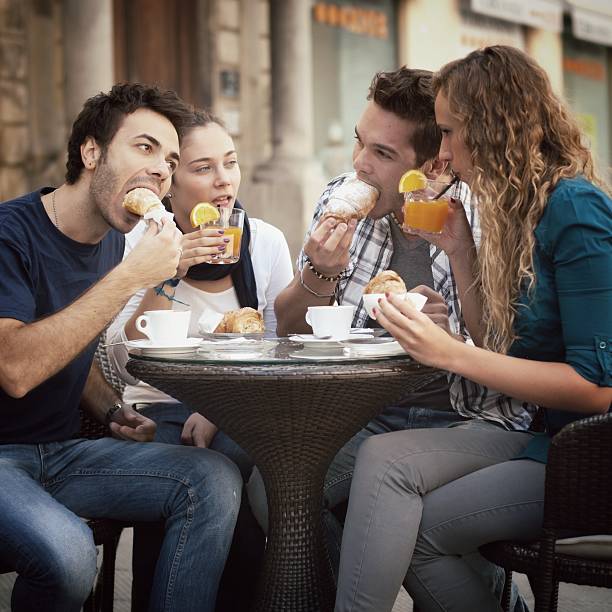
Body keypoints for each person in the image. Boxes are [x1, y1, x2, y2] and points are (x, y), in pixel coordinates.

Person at [334, 45, 612, 612]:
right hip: (547, 442)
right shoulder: (522, 210)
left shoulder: (576, 209)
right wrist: (461, 254)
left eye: (448, 131)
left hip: (591, 458)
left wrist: (447, 354)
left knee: (391, 481)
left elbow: (598, 385)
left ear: (492, 130)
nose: (442, 151)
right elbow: (503, 349)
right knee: (397, 496)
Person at [250, 67, 534, 609]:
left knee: (398, 506)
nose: (359, 163)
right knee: (275, 493)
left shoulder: (482, 218)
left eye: (381, 154)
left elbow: (512, 355)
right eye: (360, 142)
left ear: (431, 165)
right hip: (364, 412)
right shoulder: (341, 200)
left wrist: (447, 333)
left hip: (466, 418)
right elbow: (283, 329)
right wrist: (319, 272)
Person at [0, 83, 242, 612]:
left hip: (63, 454)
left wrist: (110, 407)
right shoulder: (9, 234)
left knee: (212, 478)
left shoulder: (113, 239)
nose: (161, 169)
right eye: (145, 147)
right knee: (70, 556)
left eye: (171, 159)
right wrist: (131, 276)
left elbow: (69, 339)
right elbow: (16, 366)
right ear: (91, 153)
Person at [106, 108, 293, 611]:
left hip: (239, 404)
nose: (223, 180)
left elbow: (278, 351)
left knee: (250, 457)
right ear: (169, 183)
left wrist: (216, 406)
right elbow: (122, 363)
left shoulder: (265, 243)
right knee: (187, 461)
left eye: (229, 163)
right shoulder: (134, 244)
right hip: (156, 408)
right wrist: (170, 269)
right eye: (202, 167)